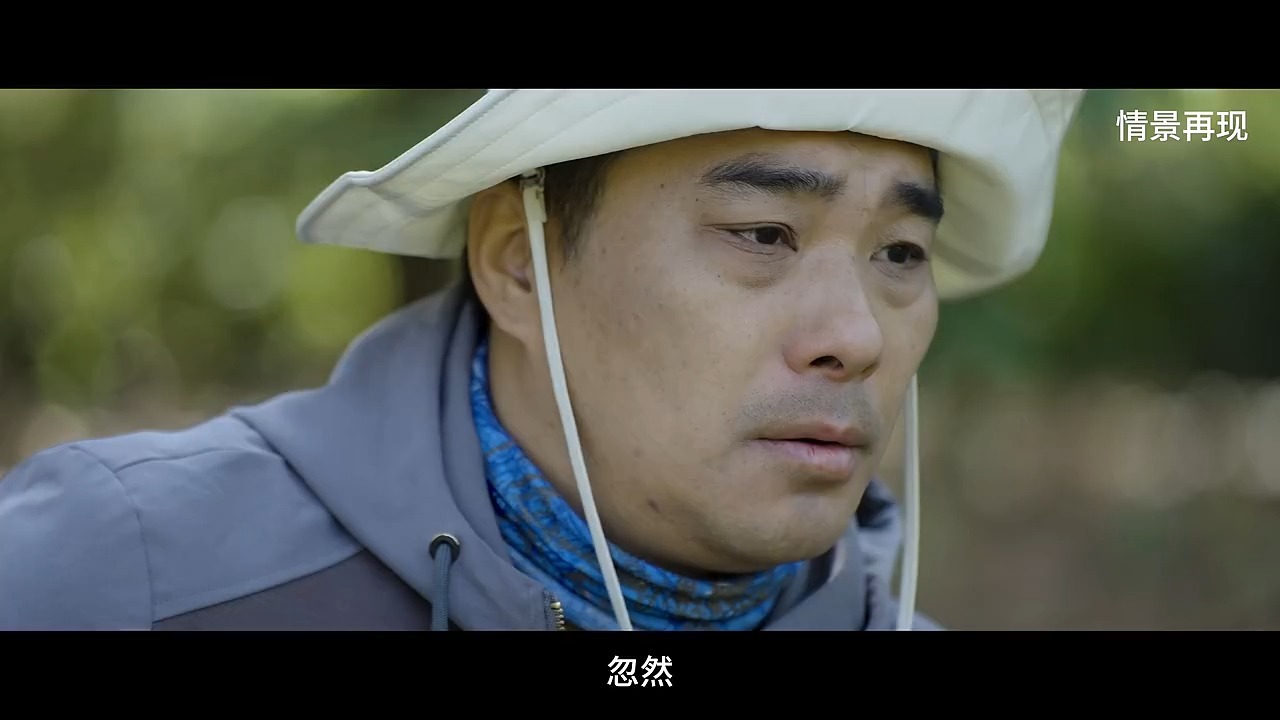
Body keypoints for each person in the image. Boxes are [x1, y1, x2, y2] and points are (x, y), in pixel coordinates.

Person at [0, 89, 1084, 631]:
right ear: (517, 263)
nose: (856, 334)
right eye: (763, 234)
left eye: (899, 254)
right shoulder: (123, 574)